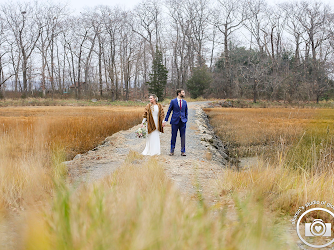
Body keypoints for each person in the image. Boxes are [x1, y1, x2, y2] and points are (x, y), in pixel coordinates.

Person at [162, 89, 188, 156]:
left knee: (183, 136)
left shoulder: (185, 102)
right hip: (174, 122)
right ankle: (172, 151)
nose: (184, 93)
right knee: (173, 136)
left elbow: (186, 112)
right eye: (183, 92)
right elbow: (169, 111)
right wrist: (165, 120)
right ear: (179, 93)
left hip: (183, 122)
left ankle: (183, 151)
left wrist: (186, 119)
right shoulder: (173, 101)